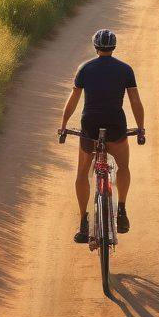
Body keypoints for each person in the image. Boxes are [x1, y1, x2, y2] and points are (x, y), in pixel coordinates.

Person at [59, 29, 145, 244]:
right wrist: (141, 128)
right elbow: (135, 101)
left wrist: (63, 125)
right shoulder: (125, 70)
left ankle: (83, 223)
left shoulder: (85, 68)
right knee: (123, 167)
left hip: (90, 125)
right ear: (113, 47)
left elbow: (73, 98)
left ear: (95, 46)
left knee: (82, 173)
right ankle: (122, 210)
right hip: (116, 124)